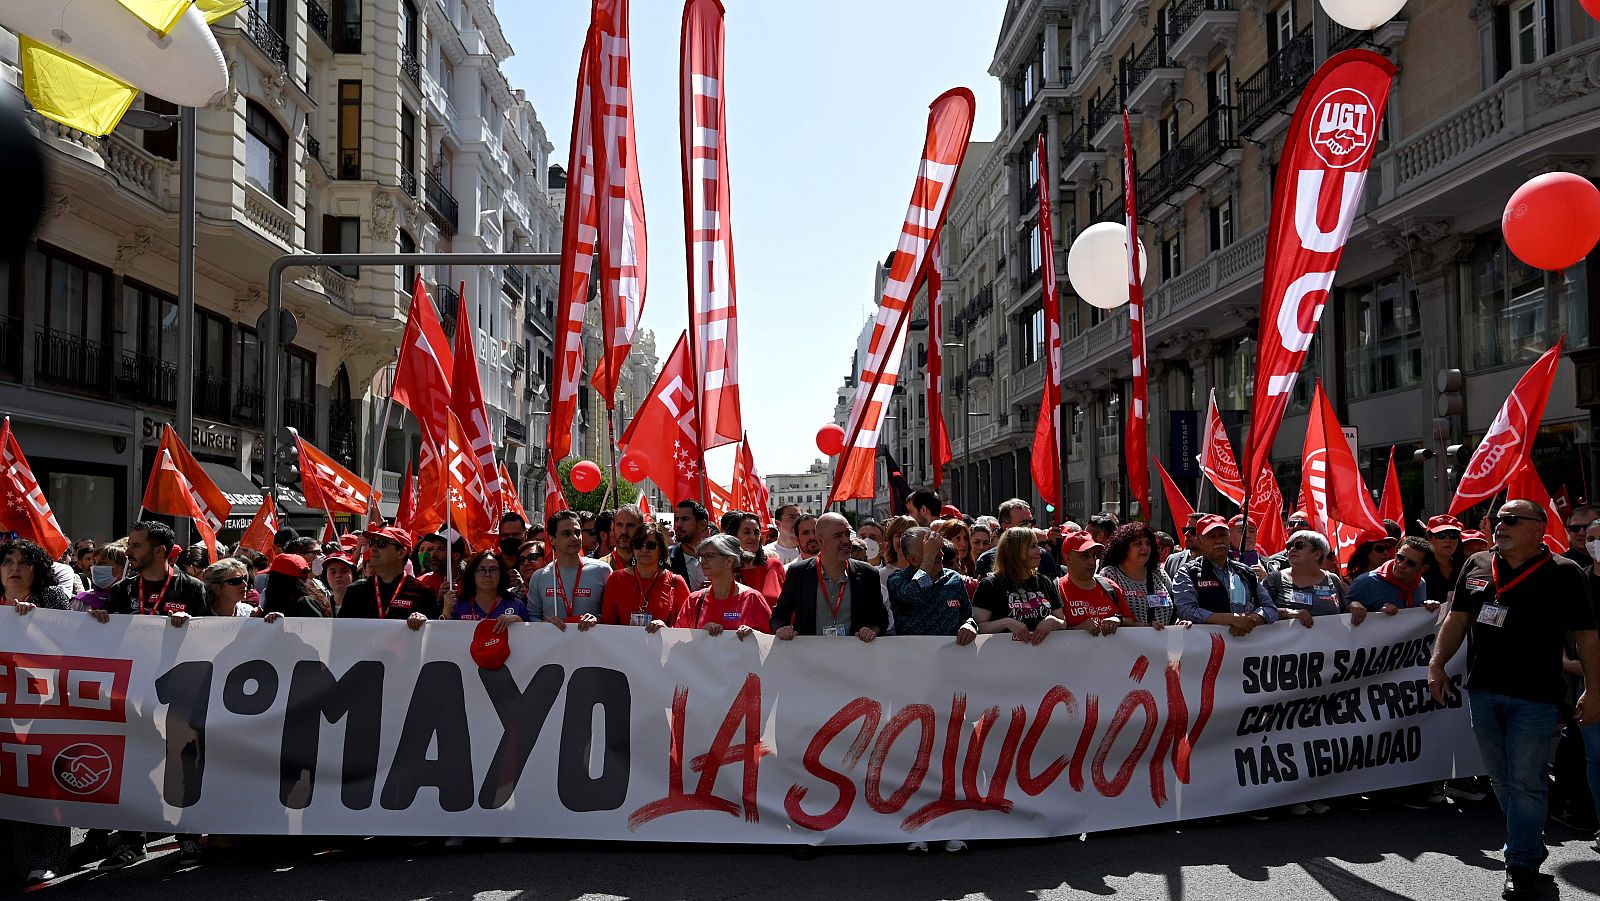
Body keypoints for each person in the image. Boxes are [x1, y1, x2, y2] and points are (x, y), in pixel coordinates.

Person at [1429, 499, 1600, 898]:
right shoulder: (1476, 566)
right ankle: (1527, 842)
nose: (1499, 525)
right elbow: (1458, 619)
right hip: (1483, 690)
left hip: (1535, 696)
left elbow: (1587, 636)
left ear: (1538, 528)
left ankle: (1520, 862)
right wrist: (1437, 665)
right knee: (1502, 778)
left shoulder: (1565, 572)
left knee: (1527, 780)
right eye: (1498, 519)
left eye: (1511, 520)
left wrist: (1594, 687)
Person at [0, 541, 71, 885]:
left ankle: (47, 855)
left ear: (36, 569)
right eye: (8, 561)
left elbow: (75, 646)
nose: (14, 568)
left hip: (42, 707)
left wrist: (37, 625)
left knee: (40, 780)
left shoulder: (52, 600)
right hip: (3, 709)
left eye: (23, 562)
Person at [773, 512, 886, 641]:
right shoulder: (799, 573)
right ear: (820, 540)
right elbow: (779, 615)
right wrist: (782, 628)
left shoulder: (867, 574)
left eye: (847, 534)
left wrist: (871, 631)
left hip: (854, 657)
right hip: (810, 657)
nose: (846, 541)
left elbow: (881, 620)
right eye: (838, 536)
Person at [1171, 514, 1279, 636]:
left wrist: (1250, 620)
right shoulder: (1188, 573)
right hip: (1206, 649)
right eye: (1211, 536)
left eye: (1222, 535)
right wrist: (1231, 619)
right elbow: (1187, 611)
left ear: (1229, 538)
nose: (1218, 541)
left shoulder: (1246, 572)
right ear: (1200, 541)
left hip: (1247, 649)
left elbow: (1270, 609)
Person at [971, 526, 1066, 643]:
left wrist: (1052, 621)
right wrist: (1006, 622)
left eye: (1038, 545)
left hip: (1043, 657)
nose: (1039, 551)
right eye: (1032, 546)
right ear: (1015, 551)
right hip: (1004, 657)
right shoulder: (990, 584)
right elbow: (977, 627)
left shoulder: (1045, 582)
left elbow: (1063, 623)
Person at [96, 521, 207, 620]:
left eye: (136, 546)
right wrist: (97, 618)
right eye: (129, 545)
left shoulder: (193, 588)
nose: (127, 552)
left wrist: (190, 623)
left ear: (159, 551)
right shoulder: (121, 589)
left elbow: (208, 630)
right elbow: (106, 632)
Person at [337, 525, 438, 628]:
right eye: (372, 543)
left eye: (382, 544)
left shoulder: (423, 593)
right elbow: (340, 633)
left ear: (401, 553)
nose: (373, 548)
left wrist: (425, 622)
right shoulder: (355, 592)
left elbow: (435, 636)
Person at [677, 534, 772, 637]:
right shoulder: (694, 600)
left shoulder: (752, 598)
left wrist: (754, 635)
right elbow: (679, 641)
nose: (703, 561)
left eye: (709, 556)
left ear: (729, 561)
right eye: (702, 557)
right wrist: (700, 635)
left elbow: (772, 641)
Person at [528, 510, 610, 630]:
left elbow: (613, 615)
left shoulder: (602, 571)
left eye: (577, 532)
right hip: (553, 646)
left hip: (591, 646)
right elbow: (531, 618)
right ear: (552, 539)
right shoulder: (539, 577)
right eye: (567, 534)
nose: (574, 538)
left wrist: (598, 619)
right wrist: (544, 625)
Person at [888, 527, 974, 639]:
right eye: (930, 550)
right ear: (912, 559)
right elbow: (915, 594)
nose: (940, 554)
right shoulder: (897, 580)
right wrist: (928, 557)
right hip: (913, 654)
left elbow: (967, 616)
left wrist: (969, 625)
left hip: (952, 654)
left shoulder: (954, 578)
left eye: (938, 549)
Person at [1262, 531, 1360, 629]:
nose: (1292, 549)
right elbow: (1260, 611)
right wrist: (1289, 613)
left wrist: (1354, 605)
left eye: (1299, 545)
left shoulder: (1333, 580)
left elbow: (1344, 610)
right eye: (1289, 546)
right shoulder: (1274, 579)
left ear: (1317, 554)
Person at [602, 522, 689, 630]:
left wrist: (666, 629)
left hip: (663, 645)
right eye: (638, 545)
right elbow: (607, 626)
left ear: (661, 549)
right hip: (623, 646)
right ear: (633, 549)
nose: (644, 550)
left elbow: (688, 626)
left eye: (650, 545)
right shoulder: (616, 579)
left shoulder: (676, 582)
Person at [1099, 522, 1179, 628]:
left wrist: (1179, 622)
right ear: (1123, 547)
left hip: (1162, 643)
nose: (1145, 548)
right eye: (1138, 544)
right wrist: (1146, 626)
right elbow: (1105, 615)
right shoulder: (1110, 574)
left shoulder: (1160, 575)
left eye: (1148, 543)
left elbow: (1176, 610)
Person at [1055, 531, 1132, 636]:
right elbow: (1048, 636)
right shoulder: (1056, 590)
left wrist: (1118, 620)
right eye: (1084, 556)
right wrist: (1077, 629)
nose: (1092, 561)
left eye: (1093, 555)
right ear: (1068, 558)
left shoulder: (1110, 587)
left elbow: (1131, 622)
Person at [1347, 536, 1434, 614]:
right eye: (1400, 557)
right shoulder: (1364, 582)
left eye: (1410, 563)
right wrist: (1353, 606)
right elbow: (1341, 616)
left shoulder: (1420, 584)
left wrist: (1427, 607)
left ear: (1423, 568)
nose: (1401, 565)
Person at [975, 499, 1060, 579]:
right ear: (1005, 527)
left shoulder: (1043, 556)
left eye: (1031, 522)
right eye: (1023, 523)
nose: (1029, 527)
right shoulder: (987, 560)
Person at [443, 549, 530, 626]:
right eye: (482, 570)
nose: (488, 575)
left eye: (493, 570)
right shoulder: (458, 605)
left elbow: (529, 639)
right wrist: (446, 614)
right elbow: (445, 638)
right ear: (472, 574)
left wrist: (519, 622)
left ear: (501, 574)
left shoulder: (516, 606)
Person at [726, 510, 785, 606]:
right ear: (734, 536)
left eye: (756, 533)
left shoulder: (775, 566)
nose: (753, 537)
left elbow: (788, 606)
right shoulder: (725, 570)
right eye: (747, 532)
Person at [198, 557, 273, 618]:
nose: (245, 584)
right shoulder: (197, 615)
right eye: (236, 581)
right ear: (217, 588)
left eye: (245, 579)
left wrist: (273, 620)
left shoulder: (248, 613)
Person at [258, 554, 327, 617]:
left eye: (273, 577)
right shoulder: (273, 601)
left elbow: (316, 629)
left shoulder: (305, 603)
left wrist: (285, 622)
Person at [1422, 515, 1467, 604]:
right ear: (1429, 538)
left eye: (1453, 535)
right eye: (1441, 535)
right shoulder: (1417, 565)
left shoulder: (1464, 566)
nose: (1448, 540)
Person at [73, 539, 126, 612]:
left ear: (120, 568)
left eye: (102, 563)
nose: (95, 567)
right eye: (94, 562)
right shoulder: (81, 601)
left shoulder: (133, 601)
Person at [669, 500, 713, 589]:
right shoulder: (667, 559)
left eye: (685, 519)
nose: (678, 525)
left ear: (702, 524)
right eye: (677, 519)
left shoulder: (719, 558)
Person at [602, 504, 645, 570]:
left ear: (642, 529)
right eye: (619, 525)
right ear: (613, 527)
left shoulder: (650, 566)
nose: (624, 531)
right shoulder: (601, 567)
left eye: (630, 525)